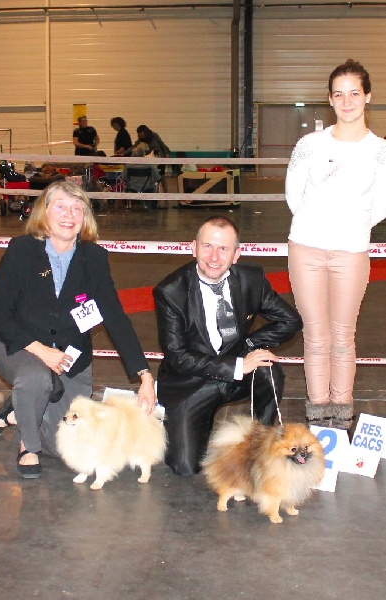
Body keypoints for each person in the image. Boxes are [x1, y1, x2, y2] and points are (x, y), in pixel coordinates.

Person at [0, 180, 156, 479]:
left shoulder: (94, 257)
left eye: (77, 208)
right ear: (44, 211)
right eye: (61, 206)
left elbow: (115, 317)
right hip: (20, 345)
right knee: (36, 378)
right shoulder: (22, 250)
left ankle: (18, 409)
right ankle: (28, 446)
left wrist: (144, 375)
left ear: (85, 217)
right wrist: (40, 351)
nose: (69, 214)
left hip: (70, 356)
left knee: (64, 444)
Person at [153, 216, 302, 476]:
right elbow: (177, 356)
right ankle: (190, 420)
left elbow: (290, 321)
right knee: (184, 466)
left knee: (268, 371)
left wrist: (249, 346)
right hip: (191, 382)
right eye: (207, 246)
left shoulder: (251, 279)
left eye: (223, 249)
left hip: (236, 374)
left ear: (236, 255)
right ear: (193, 248)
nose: (214, 257)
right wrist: (236, 365)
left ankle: (261, 445)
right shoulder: (170, 291)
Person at [286, 59, 386, 431]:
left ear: (368, 97)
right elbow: (294, 195)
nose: (347, 102)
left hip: (352, 252)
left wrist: (350, 227)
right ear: (330, 99)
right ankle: (317, 416)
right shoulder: (309, 145)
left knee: (343, 337)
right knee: (315, 337)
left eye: (354, 94)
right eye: (339, 95)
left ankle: (341, 418)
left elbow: (381, 205)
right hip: (306, 249)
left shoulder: (380, 151)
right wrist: (317, 226)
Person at [121, 142, 161, 209]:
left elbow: (124, 178)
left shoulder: (128, 165)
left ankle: (129, 204)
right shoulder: (150, 164)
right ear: (143, 154)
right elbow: (157, 177)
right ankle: (151, 205)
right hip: (147, 188)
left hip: (131, 188)